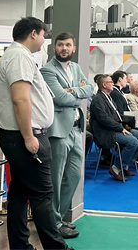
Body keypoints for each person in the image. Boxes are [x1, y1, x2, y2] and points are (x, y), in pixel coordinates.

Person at [0, 17, 72, 250]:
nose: (44, 40)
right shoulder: (19, 57)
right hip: (25, 137)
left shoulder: (18, 56)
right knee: (42, 195)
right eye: (44, 35)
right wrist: (29, 137)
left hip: (22, 136)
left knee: (20, 193)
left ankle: (20, 246)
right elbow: (20, 99)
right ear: (33, 34)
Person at [39, 32, 94, 239]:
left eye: (68, 45)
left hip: (76, 129)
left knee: (73, 176)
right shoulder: (47, 70)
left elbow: (90, 89)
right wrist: (77, 93)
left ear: (73, 48)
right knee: (55, 177)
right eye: (60, 45)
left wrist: (72, 91)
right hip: (58, 131)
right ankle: (53, 223)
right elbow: (60, 98)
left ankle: (59, 217)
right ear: (54, 48)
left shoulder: (76, 68)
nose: (64, 48)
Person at [90, 74, 138, 182]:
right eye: (110, 82)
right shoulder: (98, 100)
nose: (113, 83)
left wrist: (125, 123)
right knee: (132, 141)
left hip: (114, 128)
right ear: (104, 85)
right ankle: (116, 168)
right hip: (106, 132)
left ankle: (124, 165)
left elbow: (116, 115)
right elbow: (104, 119)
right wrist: (120, 128)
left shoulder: (108, 97)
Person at [109, 71, 138, 166]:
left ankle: (136, 157)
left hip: (129, 121)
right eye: (125, 78)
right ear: (120, 79)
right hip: (125, 124)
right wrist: (129, 123)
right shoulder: (116, 93)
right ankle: (134, 158)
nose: (127, 81)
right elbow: (120, 112)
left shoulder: (119, 92)